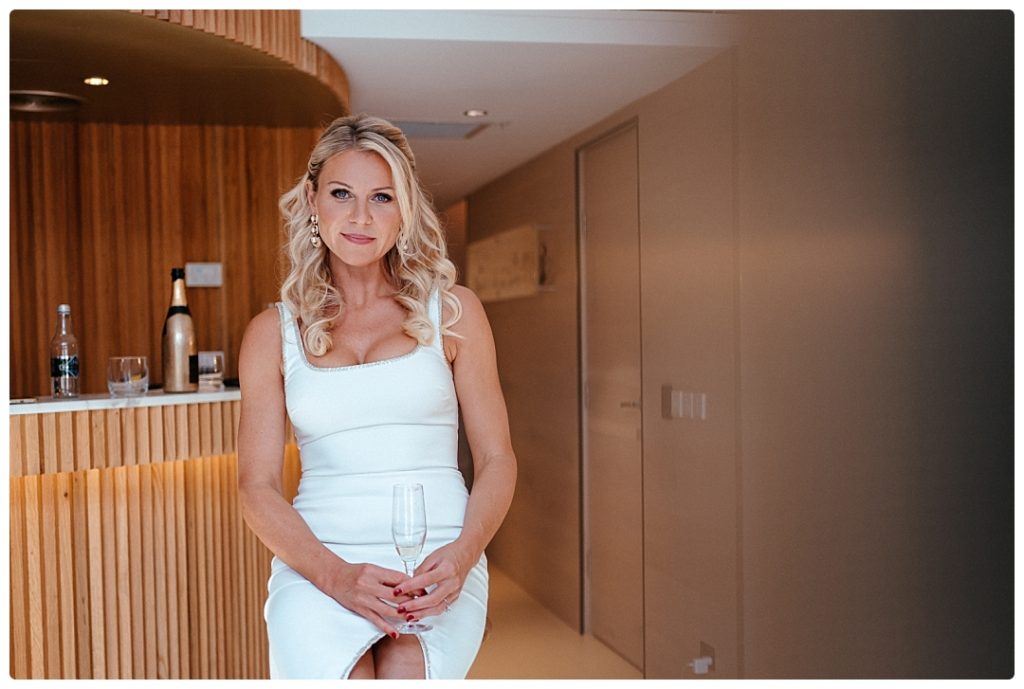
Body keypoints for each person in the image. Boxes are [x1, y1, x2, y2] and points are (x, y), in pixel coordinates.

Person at [237, 114, 517, 680]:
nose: (361, 216)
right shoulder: (272, 333)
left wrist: (463, 557)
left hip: (438, 555)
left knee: (405, 665)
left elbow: (496, 459)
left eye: (382, 198)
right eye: (342, 194)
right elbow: (256, 487)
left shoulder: (455, 312)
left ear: (405, 210)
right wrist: (335, 575)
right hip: (319, 557)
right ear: (313, 201)